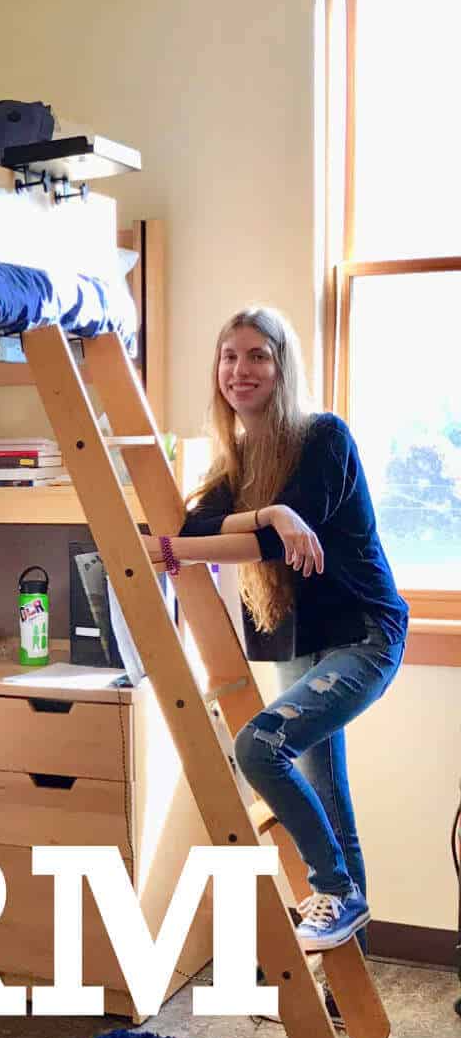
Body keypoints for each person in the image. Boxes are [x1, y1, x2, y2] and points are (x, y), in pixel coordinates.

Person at [144, 306, 407, 952]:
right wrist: (269, 510)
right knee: (327, 793)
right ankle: (353, 989)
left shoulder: (324, 438)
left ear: (283, 367)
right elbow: (201, 531)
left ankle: (335, 892)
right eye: (229, 356)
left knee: (259, 748)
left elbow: (261, 546)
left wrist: (267, 525)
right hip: (301, 641)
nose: (241, 369)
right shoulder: (237, 463)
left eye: (258, 355)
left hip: (364, 635)